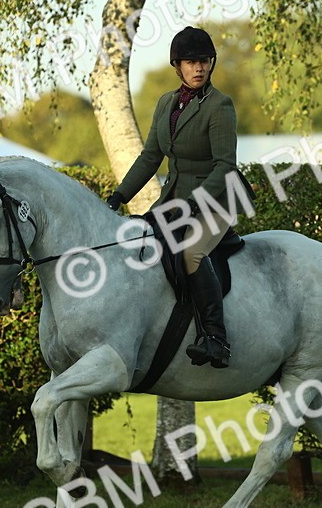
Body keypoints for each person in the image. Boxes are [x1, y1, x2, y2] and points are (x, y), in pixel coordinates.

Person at [105, 26, 254, 370]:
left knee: (190, 252)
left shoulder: (221, 106)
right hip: (173, 199)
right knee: (141, 244)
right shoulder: (166, 103)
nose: (199, 68)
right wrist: (118, 196)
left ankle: (216, 338)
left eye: (204, 61)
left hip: (217, 199)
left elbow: (225, 165)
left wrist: (194, 203)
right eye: (191, 62)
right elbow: (150, 157)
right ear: (178, 66)